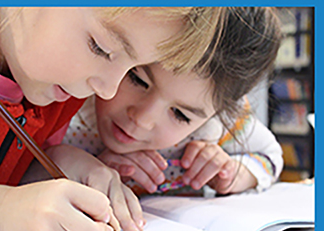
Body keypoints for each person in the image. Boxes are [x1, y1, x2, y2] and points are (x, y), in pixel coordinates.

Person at [0, 7, 225, 231]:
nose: (109, 91)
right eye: (102, 48)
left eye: (133, 67)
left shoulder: (58, 91)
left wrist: (52, 164)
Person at [61, 7, 283, 197]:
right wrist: (80, 167)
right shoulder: (68, 97)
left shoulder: (218, 127)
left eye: (180, 115)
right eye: (137, 80)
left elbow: (270, 155)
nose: (143, 119)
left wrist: (235, 173)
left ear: (218, 113)